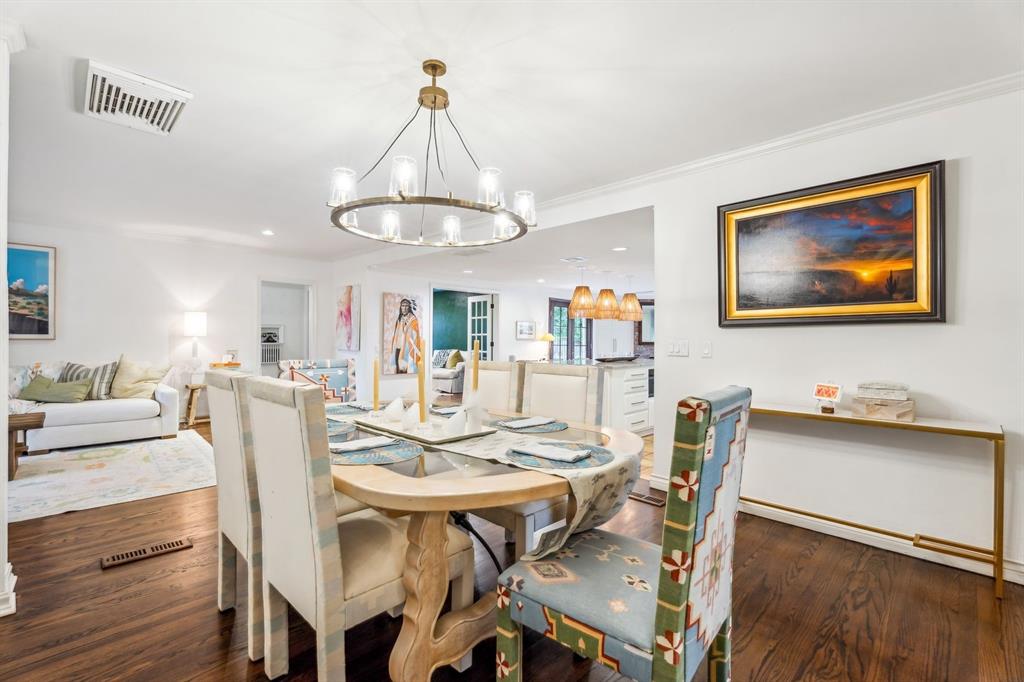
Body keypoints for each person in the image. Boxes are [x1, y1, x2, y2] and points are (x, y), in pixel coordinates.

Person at [390, 298, 421, 374]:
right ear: (400, 307)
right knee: (398, 370)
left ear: (409, 307)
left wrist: (407, 327)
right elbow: (396, 334)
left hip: (408, 349)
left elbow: (415, 335)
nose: (404, 308)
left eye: (406, 306)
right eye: (403, 306)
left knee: (406, 370)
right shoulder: (399, 319)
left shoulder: (413, 320)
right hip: (398, 347)